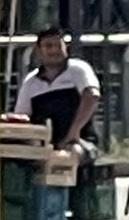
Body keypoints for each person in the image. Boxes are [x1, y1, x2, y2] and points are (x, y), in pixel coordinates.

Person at [14, 27, 101, 156]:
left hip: (79, 140)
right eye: (49, 46)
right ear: (38, 51)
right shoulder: (30, 82)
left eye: (58, 45)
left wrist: (73, 133)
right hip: (43, 145)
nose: (54, 50)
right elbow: (22, 115)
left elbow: (92, 96)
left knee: (72, 155)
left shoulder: (78, 69)